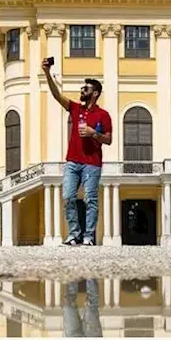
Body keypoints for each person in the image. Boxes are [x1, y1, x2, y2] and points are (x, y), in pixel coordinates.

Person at [42, 58, 113, 246]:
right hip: (72, 161)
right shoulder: (75, 108)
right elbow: (57, 95)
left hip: (92, 163)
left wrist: (93, 133)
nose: (82, 91)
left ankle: (89, 237)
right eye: (82, 88)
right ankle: (74, 235)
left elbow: (109, 139)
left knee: (90, 200)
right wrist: (47, 73)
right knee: (68, 197)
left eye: (86, 89)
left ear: (95, 93)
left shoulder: (103, 115)